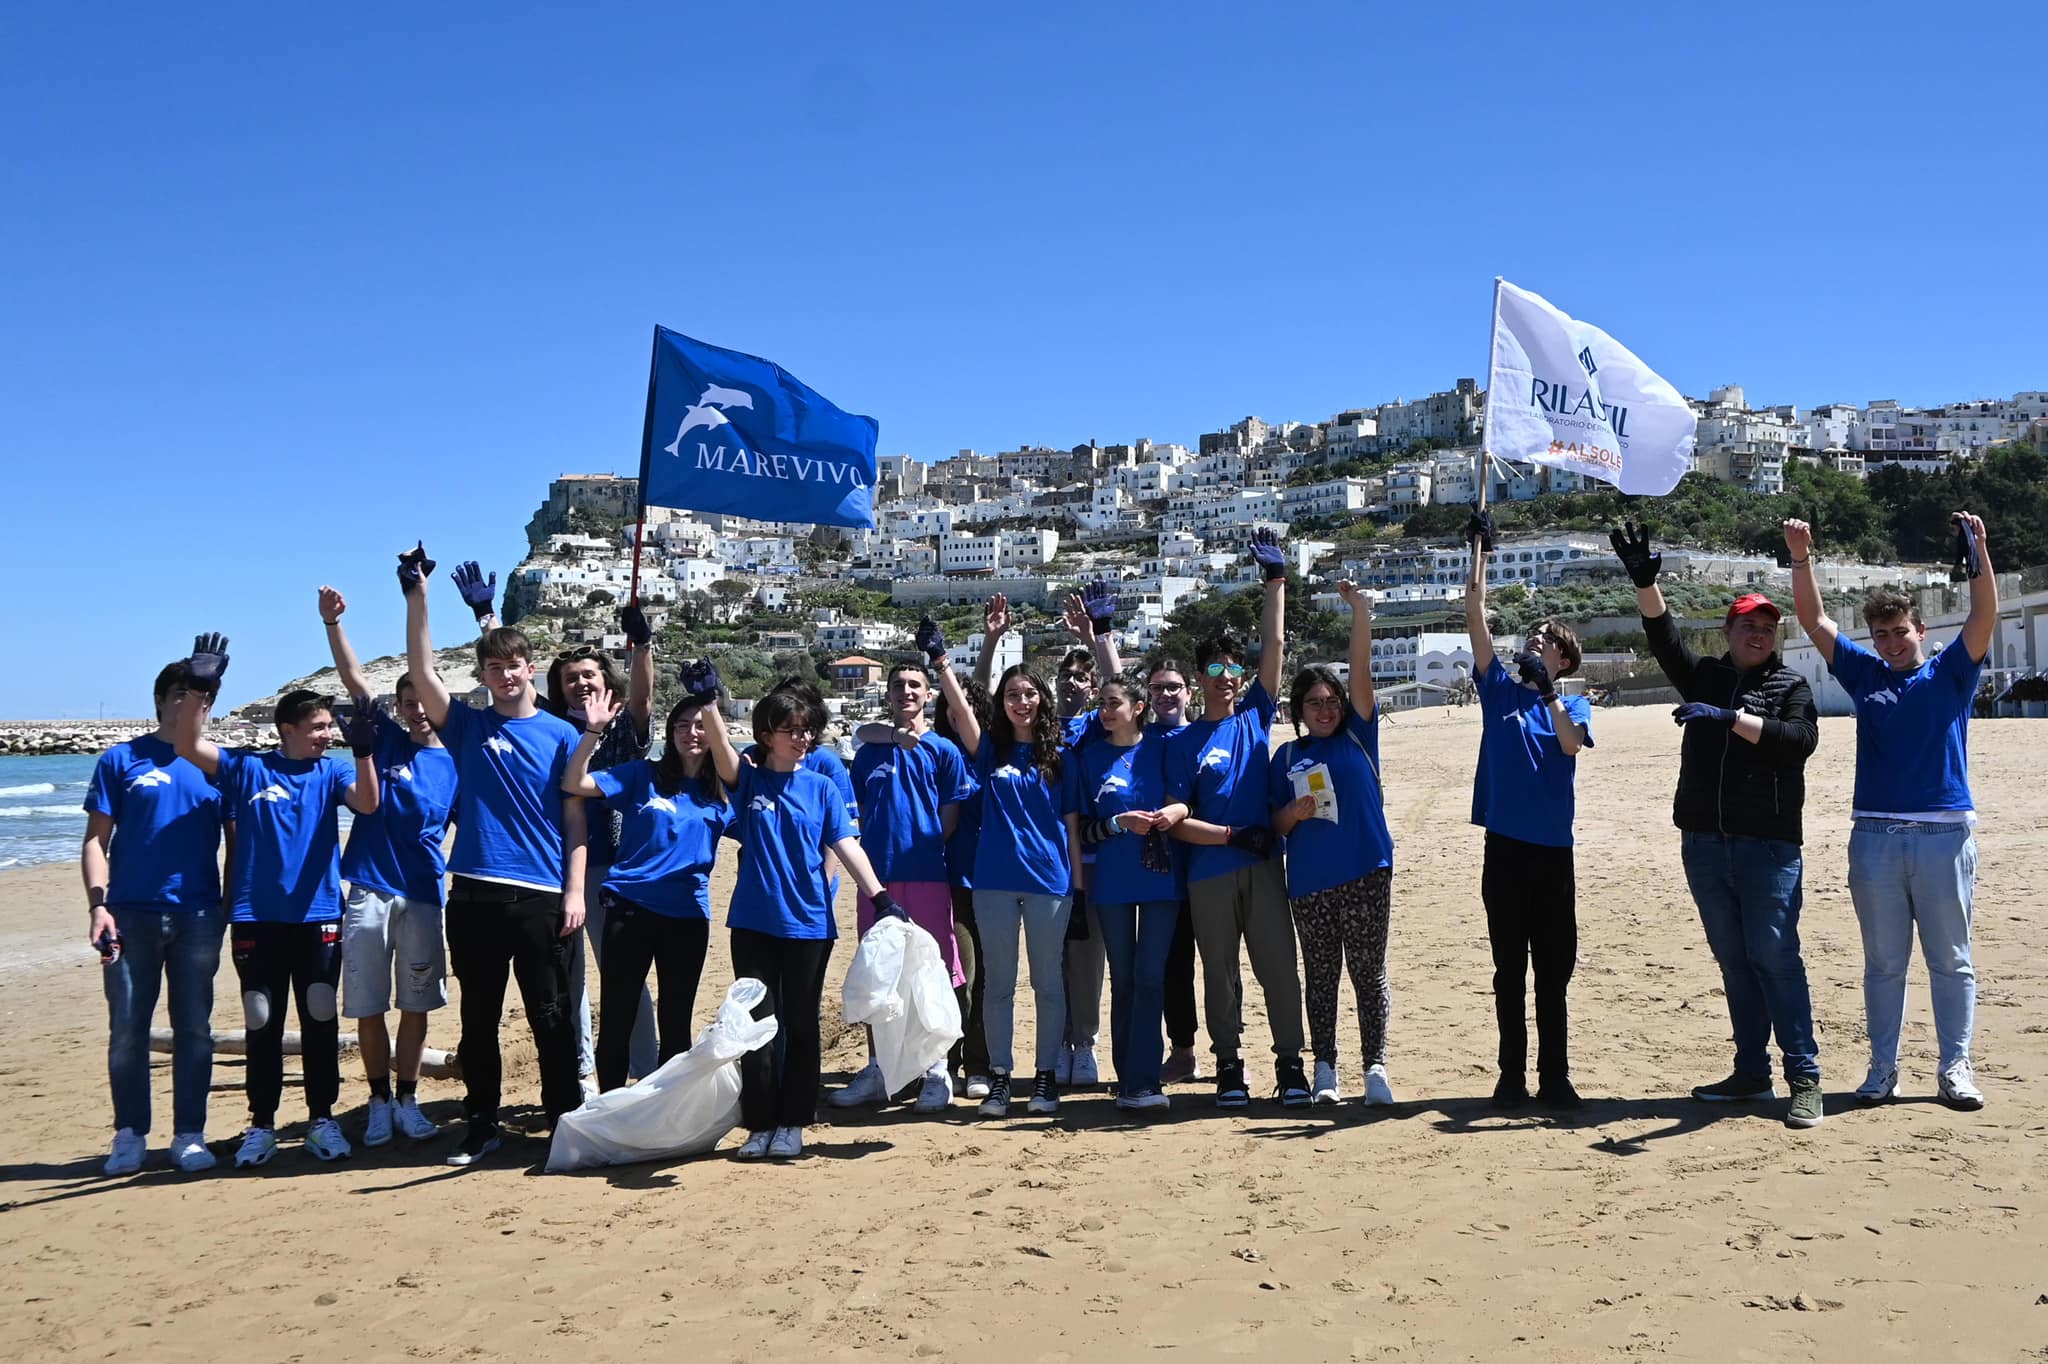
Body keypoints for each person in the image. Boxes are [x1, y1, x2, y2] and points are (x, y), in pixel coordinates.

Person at [1611, 522, 1824, 1130]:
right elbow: (1663, 638)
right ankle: (1751, 1071)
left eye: (1766, 628)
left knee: (1775, 956)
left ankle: (1804, 1076)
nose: (1756, 634)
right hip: (1704, 843)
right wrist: (1645, 583)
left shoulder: (1790, 684)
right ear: (1727, 632)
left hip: (1769, 847)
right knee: (1733, 959)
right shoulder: (1704, 675)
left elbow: (1798, 742)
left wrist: (1730, 717)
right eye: (1746, 625)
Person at [1784, 512, 1998, 1111]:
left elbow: (1984, 616)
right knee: (1883, 964)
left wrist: (1978, 551)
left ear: (1921, 629)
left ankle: (1955, 1067)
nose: (1891, 642)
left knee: (1950, 960)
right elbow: (1814, 620)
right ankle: (1882, 1071)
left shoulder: (1951, 671)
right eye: (1881, 634)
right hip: (1875, 834)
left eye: (1900, 631)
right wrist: (1801, 557)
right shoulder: (1865, 672)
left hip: (1943, 833)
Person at [401, 541, 588, 1165]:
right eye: (494, 668)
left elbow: (574, 818)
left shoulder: (562, 734)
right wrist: (418, 594)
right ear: (482, 676)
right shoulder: (468, 726)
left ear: (530, 669)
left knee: (552, 1016)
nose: (506, 675)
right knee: (478, 1019)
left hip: (540, 898)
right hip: (474, 894)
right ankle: (481, 1124)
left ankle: (565, 1123)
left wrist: (574, 893)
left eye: (515, 666)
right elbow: (423, 674)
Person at [171, 675, 382, 1167]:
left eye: (329, 727)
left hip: (319, 917)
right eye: (317, 727)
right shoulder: (247, 770)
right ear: (285, 728)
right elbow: (186, 742)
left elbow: (369, 804)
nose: (327, 735)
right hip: (256, 918)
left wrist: (364, 751)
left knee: (320, 1015)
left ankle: (321, 1118)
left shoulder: (330, 773)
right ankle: (261, 1124)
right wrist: (202, 689)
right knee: (261, 1020)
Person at [699, 669, 900, 1160]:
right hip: (752, 922)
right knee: (757, 1026)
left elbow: (845, 844)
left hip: (809, 924)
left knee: (802, 1024)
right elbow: (722, 752)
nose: (803, 737)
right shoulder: (748, 781)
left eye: (808, 729)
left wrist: (880, 898)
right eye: (792, 730)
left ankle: (794, 1122)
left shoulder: (822, 787)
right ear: (766, 736)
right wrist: (708, 702)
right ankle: (760, 1123)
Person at [1165, 528, 1309, 1108]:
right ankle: (1229, 1063)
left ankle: (1291, 1064)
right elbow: (1176, 820)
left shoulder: (1253, 716)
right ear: (1201, 679)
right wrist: (1231, 834)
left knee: (1278, 966)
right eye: (1215, 670)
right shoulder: (1182, 742)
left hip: (1263, 865)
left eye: (1232, 669)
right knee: (1219, 974)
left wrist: (1276, 582)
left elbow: (1274, 648)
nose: (1226, 678)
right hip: (1210, 872)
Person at [83, 641, 233, 1175]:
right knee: (128, 1027)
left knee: (194, 1026)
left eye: (207, 694)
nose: (199, 703)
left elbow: (239, 841)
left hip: (197, 916)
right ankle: (130, 1133)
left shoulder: (218, 766)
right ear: (162, 700)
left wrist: (230, 907)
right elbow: (96, 841)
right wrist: (98, 907)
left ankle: (189, 1134)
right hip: (128, 914)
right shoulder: (120, 760)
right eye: (187, 693)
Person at [318, 586, 457, 1147]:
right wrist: (332, 625)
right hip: (370, 889)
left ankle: (407, 1098)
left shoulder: (456, 763)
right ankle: (377, 1101)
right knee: (370, 1004)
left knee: (417, 1002)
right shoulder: (387, 743)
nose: (417, 711)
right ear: (399, 708)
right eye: (408, 703)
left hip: (424, 894)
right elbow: (355, 681)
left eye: (424, 701)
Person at [1464, 510, 1594, 1109]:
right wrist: (1480, 551)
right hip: (1506, 850)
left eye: (1548, 639)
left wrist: (1547, 690)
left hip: (1553, 855)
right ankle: (1510, 1075)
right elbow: (1475, 613)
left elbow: (1570, 745)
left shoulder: (1573, 705)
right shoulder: (1499, 691)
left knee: (1554, 976)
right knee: (1507, 971)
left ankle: (1556, 1075)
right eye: (1533, 636)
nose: (1535, 641)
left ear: (1565, 660)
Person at [560, 682, 731, 1091]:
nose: (692, 733)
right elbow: (574, 784)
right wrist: (593, 732)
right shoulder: (643, 774)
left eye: (701, 725)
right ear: (670, 734)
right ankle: (611, 1106)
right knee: (617, 1017)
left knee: (676, 1020)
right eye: (682, 726)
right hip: (629, 909)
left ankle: (667, 1109)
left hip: (687, 917)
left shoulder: (724, 794)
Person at [1268, 581, 1396, 1107]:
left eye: (1331, 702)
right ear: (1299, 709)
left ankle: (1376, 1069)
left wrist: (1360, 613)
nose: (1324, 710)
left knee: (1369, 974)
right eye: (1313, 703)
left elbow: (1360, 671)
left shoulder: (1359, 735)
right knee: (1320, 978)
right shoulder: (1285, 757)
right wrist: (1293, 814)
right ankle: (1325, 1069)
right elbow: (1274, 826)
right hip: (1310, 884)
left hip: (1367, 870)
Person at [937, 648, 1077, 1118]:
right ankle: (999, 1077)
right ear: (1002, 703)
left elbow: (1072, 823)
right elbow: (959, 710)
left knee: (1047, 982)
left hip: (1048, 883)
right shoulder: (989, 752)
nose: (1021, 701)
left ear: (1043, 699)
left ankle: (1044, 1077)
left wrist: (1076, 882)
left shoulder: (1061, 753)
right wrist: (941, 662)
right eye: (1013, 695)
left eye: (1029, 693)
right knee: (998, 983)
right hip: (993, 882)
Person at [832, 652, 974, 1114]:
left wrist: (925, 844)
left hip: (929, 875)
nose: (907, 692)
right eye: (899, 686)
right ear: (889, 694)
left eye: (915, 685)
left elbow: (950, 814)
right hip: (877, 880)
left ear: (929, 695)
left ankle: (937, 1070)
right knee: (880, 973)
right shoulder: (871, 749)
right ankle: (880, 1069)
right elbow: (854, 810)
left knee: (933, 970)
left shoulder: (944, 751)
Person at [535, 600, 655, 1099]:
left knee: (624, 972)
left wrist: (643, 644)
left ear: (607, 682)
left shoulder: (626, 726)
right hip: (553, 868)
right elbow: (512, 682)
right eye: (570, 679)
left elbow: (645, 699)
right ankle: (584, 1071)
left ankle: (646, 1070)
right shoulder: (548, 727)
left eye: (589, 675)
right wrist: (486, 620)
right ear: (558, 690)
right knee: (570, 978)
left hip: (616, 869)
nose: (581, 683)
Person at [1063, 673, 1187, 1111]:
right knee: (1125, 979)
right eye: (1102, 702)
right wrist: (1118, 824)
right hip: (1112, 884)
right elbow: (1083, 832)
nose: (1105, 709)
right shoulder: (1089, 758)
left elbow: (1183, 801)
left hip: (1160, 878)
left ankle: (1145, 1080)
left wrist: (1172, 811)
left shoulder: (1163, 747)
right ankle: (1128, 1079)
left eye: (1114, 702)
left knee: (1152, 977)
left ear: (1138, 708)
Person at [933, 673, 993, 1097]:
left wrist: (990, 640)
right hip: (946, 879)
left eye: (968, 704)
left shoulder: (989, 753)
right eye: (952, 704)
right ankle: (947, 1061)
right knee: (958, 975)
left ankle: (979, 1064)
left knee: (989, 977)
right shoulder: (935, 751)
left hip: (991, 879)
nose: (960, 712)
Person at [1145, 659, 1203, 1086]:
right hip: (1163, 875)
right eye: (1157, 688)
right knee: (1174, 965)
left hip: (1209, 865)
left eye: (1174, 687)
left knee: (1221, 968)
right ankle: (1182, 1051)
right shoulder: (1143, 736)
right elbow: (1120, 693)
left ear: (1189, 692)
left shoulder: (1205, 734)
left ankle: (1228, 1053)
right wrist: (1100, 638)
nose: (1165, 695)